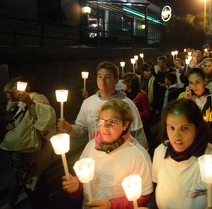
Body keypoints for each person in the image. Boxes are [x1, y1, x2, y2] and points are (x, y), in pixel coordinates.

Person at [142, 98, 212, 209]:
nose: (176, 136)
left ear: (197, 128)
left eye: (184, 128)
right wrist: (150, 207)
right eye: (171, 128)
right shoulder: (160, 152)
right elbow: (159, 188)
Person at [61, 100, 153, 208]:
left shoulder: (138, 155)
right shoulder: (91, 146)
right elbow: (85, 181)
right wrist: (77, 185)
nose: (105, 126)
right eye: (101, 121)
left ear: (125, 124)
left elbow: (144, 196)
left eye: (112, 121)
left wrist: (111, 205)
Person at [57, 61, 148, 150]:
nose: (103, 81)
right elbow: (83, 128)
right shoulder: (88, 102)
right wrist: (70, 129)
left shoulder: (127, 104)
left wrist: (142, 157)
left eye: (107, 77)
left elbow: (138, 134)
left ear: (116, 80)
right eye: (100, 77)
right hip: (96, 154)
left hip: (121, 155)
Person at [1, 76, 56, 209]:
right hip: (23, 151)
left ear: (28, 86)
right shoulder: (20, 101)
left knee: (35, 185)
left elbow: (46, 119)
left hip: (32, 152)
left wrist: (29, 103)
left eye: (18, 86)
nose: (15, 89)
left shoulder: (38, 98)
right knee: (30, 184)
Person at [178, 67, 212, 147]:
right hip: (188, 142)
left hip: (209, 142)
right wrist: (186, 101)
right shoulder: (182, 97)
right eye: (191, 83)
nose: (194, 86)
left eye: (197, 82)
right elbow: (177, 118)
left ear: (204, 81)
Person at [122, 72, 152, 146]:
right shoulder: (122, 95)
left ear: (130, 83)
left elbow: (147, 113)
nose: (122, 83)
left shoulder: (142, 95)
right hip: (127, 127)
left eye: (124, 81)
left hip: (140, 127)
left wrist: (134, 114)